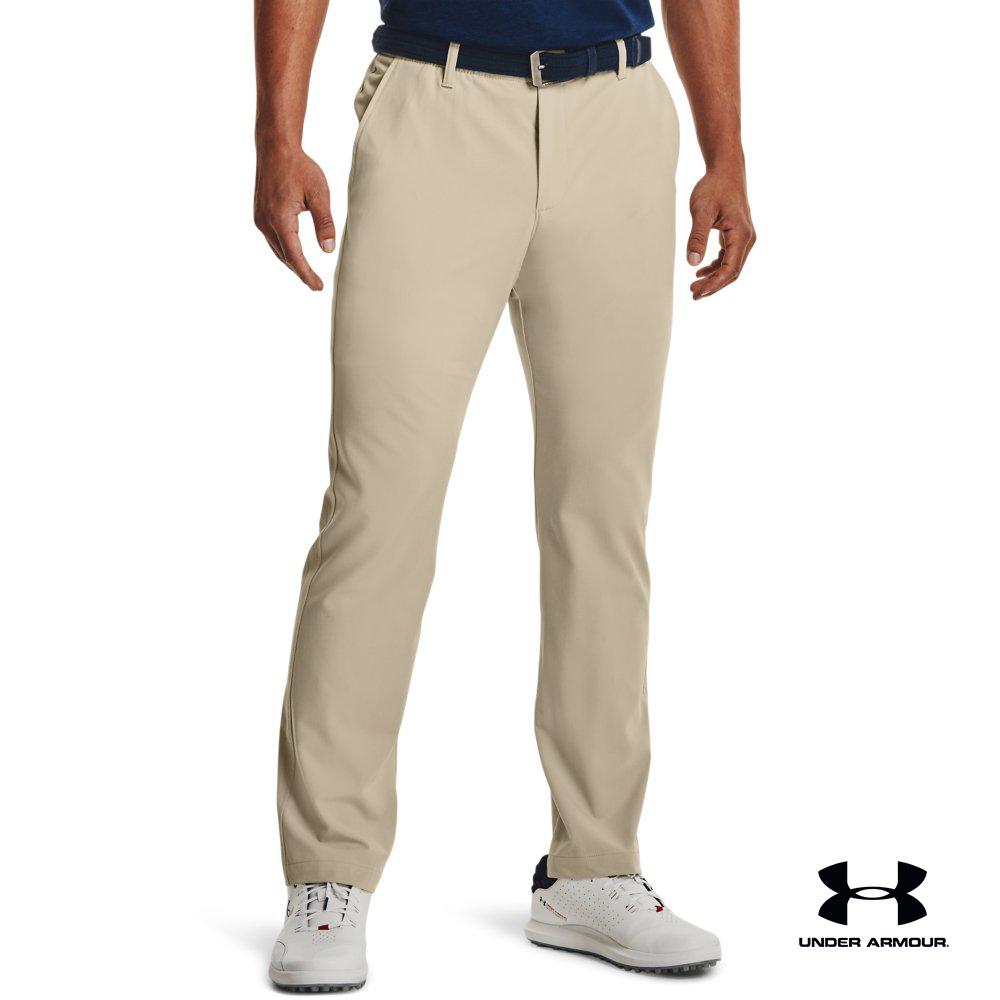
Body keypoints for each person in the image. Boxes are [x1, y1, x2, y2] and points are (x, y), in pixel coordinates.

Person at [254, 0, 755, 990]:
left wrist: (725, 151)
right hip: (434, 108)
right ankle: (328, 873)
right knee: (377, 508)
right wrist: (278, 135)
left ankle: (593, 866)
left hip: (616, 113)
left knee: (602, 514)